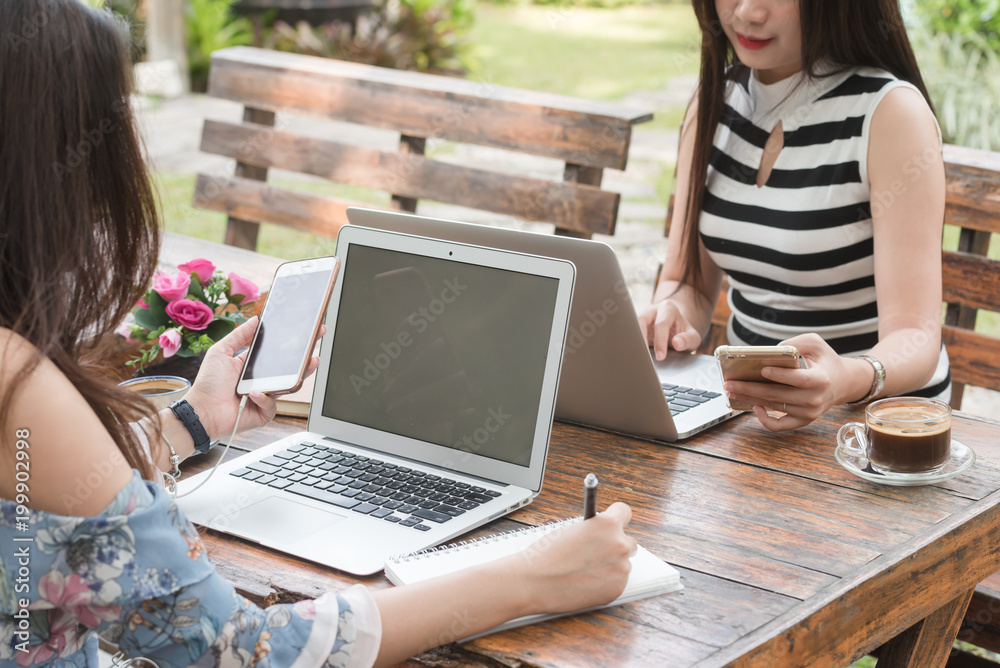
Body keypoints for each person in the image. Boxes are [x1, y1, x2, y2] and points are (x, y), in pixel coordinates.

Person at [0, 3, 636, 667]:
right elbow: (243, 650)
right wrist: (531, 576)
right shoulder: (15, 377)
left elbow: (39, 496)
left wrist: (190, 421)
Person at [639, 0, 950, 431]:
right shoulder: (713, 104)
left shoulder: (890, 114)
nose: (748, 12)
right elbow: (687, 283)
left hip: (879, 432)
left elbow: (916, 335)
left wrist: (845, 379)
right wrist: (669, 316)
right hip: (750, 423)